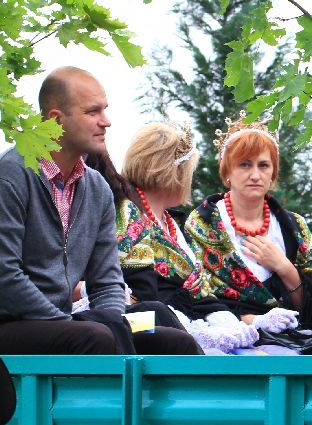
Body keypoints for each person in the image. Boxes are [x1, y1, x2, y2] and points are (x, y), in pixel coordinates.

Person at [0, 66, 200, 355]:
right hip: (15, 323)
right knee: (95, 336)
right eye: (92, 112)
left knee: (163, 327)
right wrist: (69, 322)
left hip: (70, 322)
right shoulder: (11, 175)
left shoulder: (97, 188)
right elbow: (5, 277)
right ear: (56, 120)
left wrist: (114, 321)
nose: (106, 121)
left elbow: (107, 282)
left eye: (105, 109)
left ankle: (205, 388)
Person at [88, 124, 258, 353]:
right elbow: (140, 294)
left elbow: (198, 294)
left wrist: (230, 321)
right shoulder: (128, 214)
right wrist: (199, 328)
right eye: (189, 171)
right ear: (175, 172)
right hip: (138, 325)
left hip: (178, 322)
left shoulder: (170, 221)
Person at [185, 116, 312, 333]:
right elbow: (195, 296)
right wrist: (253, 321)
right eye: (244, 164)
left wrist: (284, 268)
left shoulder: (294, 227)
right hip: (226, 339)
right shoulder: (203, 224)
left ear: (273, 173)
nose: (255, 175)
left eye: (263, 165)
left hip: (292, 339)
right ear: (227, 171)